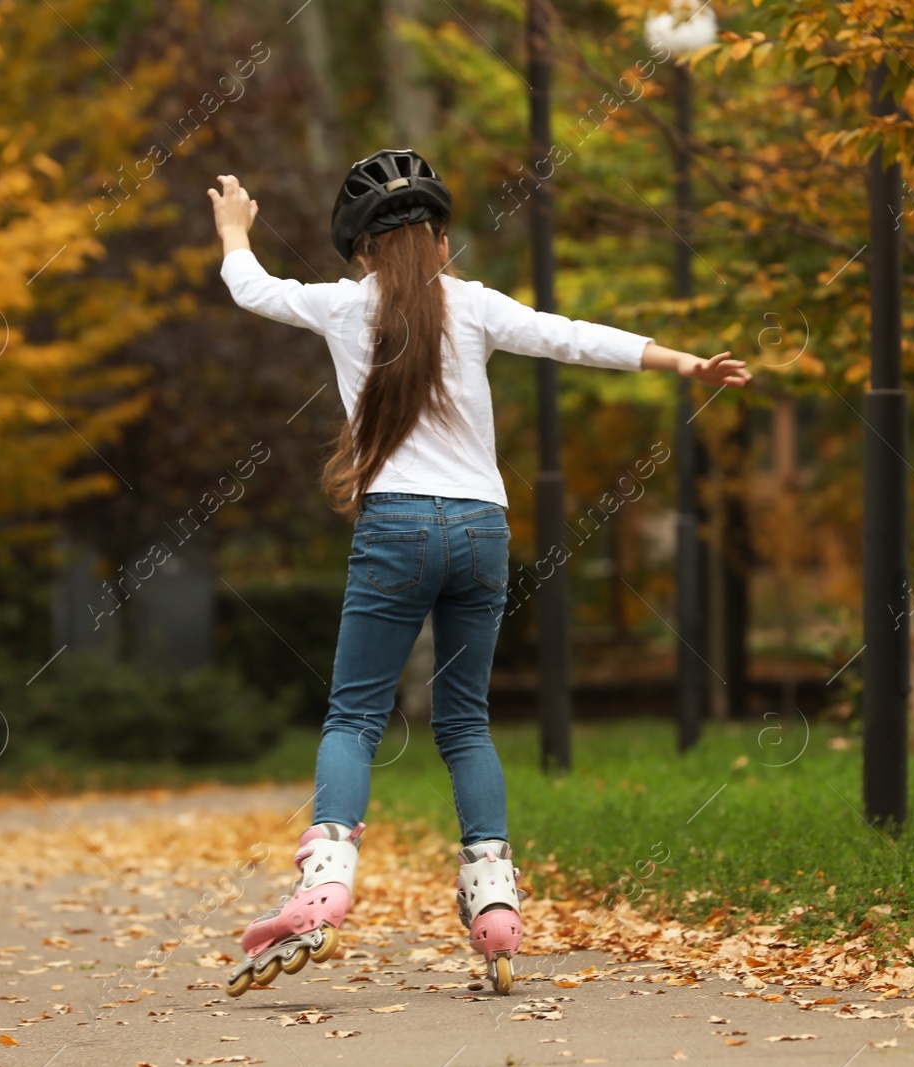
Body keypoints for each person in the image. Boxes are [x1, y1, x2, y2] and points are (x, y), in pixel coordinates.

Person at [207, 149, 750, 997]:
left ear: (358, 247)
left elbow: (251, 288)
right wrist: (682, 362)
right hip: (481, 531)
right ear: (445, 240)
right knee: (465, 722)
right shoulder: (476, 306)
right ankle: (493, 897)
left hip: (395, 529)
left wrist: (235, 230)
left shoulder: (342, 306)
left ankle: (325, 882)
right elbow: (571, 337)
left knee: (354, 714)